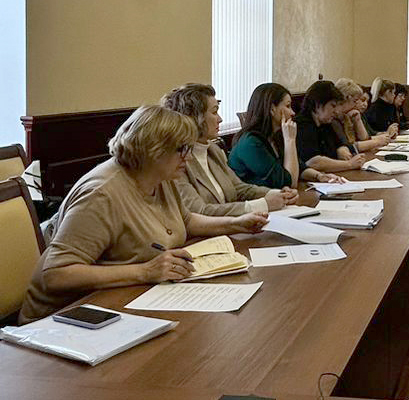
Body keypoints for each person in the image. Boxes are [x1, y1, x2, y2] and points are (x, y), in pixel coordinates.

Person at [19, 105, 268, 323]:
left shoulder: (161, 176)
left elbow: (186, 220)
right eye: (182, 149)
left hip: (127, 299)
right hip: (65, 317)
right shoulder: (101, 194)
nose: (189, 157)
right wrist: (145, 271)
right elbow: (56, 274)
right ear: (154, 150)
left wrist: (236, 223)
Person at [162, 83, 299, 216]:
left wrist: (276, 194)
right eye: (214, 112)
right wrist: (263, 204)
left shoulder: (212, 149)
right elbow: (200, 211)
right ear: (195, 118)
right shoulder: (176, 161)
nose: (220, 119)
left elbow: (238, 188)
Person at [228, 82, 343, 187]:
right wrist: (290, 140)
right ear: (272, 109)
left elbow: (300, 167)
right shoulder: (251, 143)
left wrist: (319, 176)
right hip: (253, 201)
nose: (293, 113)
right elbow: (289, 182)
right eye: (288, 106)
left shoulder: (275, 136)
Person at [296, 80, 367, 173]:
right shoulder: (302, 125)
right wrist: (349, 164)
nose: (336, 111)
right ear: (318, 104)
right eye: (333, 106)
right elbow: (313, 162)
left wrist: (342, 150)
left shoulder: (326, 123)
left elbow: (340, 144)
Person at [334, 78, 391, 153]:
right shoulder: (334, 120)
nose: (355, 104)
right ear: (346, 98)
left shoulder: (349, 116)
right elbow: (349, 146)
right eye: (355, 101)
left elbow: (364, 138)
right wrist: (376, 142)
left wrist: (358, 120)